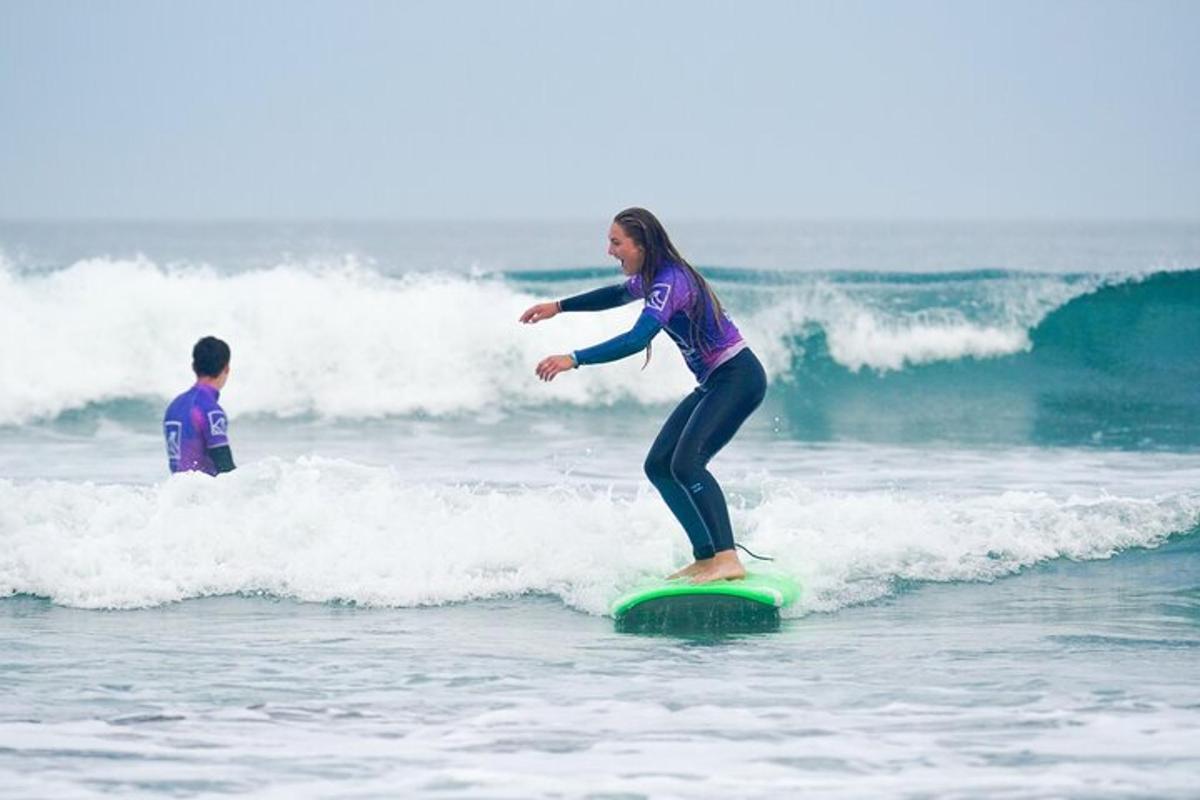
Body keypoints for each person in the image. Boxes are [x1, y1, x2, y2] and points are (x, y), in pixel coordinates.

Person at [520, 208, 767, 584]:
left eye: (616, 242)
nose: (609, 250)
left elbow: (637, 340)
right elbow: (616, 295)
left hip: (737, 376)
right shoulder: (653, 278)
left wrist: (574, 358)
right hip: (715, 381)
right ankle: (706, 558)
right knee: (659, 466)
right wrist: (559, 306)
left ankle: (727, 557)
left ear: (642, 245)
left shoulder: (670, 283)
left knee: (687, 464)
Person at [163, 336, 236, 475]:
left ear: (194, 366)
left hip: (176, 493)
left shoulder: (173, 407)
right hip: (206, 494)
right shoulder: (211, 411)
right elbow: (225, 467)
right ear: (226, 368)